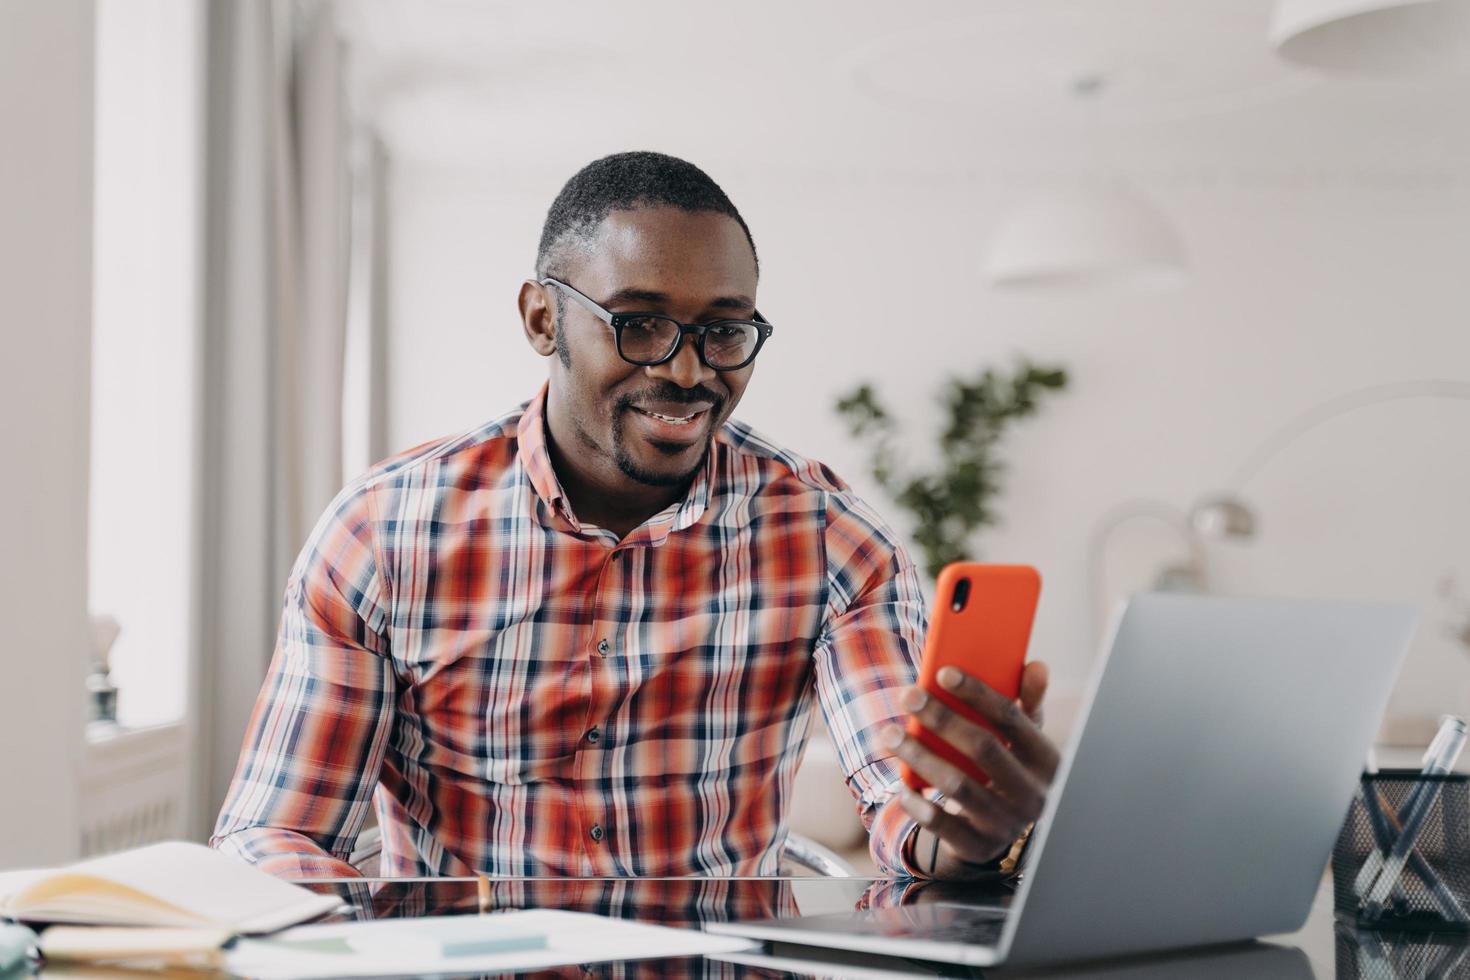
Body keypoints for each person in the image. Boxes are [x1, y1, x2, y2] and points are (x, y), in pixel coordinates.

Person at [211, 152, 1059, 880]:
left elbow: (900, 800)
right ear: (543, 318)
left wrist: (971, 837)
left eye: (724, 333)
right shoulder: (383, 535)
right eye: (641, 324)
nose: (689, 372)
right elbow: (273, 832)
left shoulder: (832, 541)